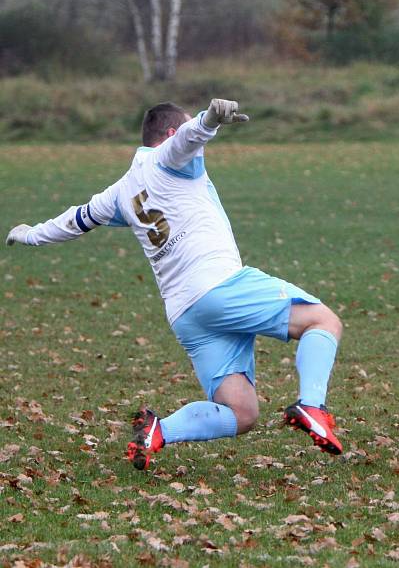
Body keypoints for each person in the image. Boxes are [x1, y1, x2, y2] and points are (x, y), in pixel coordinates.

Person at [5, 99, 345, 469]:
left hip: (186, 314)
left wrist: (31, 235)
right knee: (323, 322)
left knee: (242, 412)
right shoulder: (168, 158)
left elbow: (76, 220)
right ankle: (312, 405)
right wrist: (211, 118)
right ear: (169, 133)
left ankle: (158, 431)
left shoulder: (119, 193)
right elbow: (189, 136)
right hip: (219, 286)